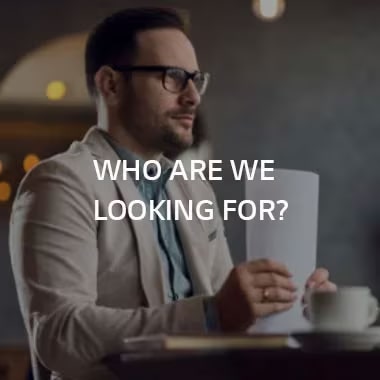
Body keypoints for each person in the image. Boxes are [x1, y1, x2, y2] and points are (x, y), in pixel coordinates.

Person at [9, 7, 336, 380]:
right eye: (174, 77)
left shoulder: (196, 190)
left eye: (196, 79)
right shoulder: (60, 183)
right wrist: (212, 314)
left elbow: (230, 324)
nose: (193, 96)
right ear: (111, 84)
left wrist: (296, 311)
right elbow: (59, 336)